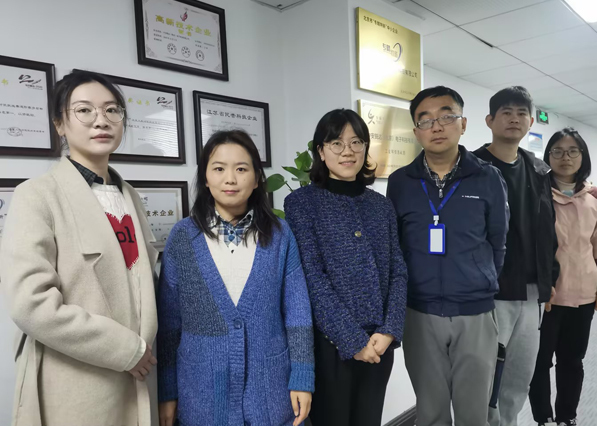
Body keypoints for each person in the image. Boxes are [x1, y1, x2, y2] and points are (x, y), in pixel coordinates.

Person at [0, 70, 159, 426]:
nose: (101, 120)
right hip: (76, 383)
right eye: (84, 110)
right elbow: (30, 303)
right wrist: (126, 349)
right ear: (59, 124)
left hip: (138, 378)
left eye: (112, 110)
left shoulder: (129, 195)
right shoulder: (37, 195)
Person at [157, 130, 314, 426]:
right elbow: (168, 324)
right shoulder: (182, 237)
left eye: (241, 169)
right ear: (205, 178)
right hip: (201, 395)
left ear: (256, 179)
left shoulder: (280, 235)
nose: (230, 179)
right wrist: (166, 391)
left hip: (269, 392)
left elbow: (298, 313)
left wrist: (302, 377)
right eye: (219, 169)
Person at [387, 86, 509, 426]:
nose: (436, 126)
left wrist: (478, 280)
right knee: (430, 412)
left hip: (475, 312)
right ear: (416, 132)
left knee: (474, 414)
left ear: (463, 124)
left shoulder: (488, 177)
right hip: (419, 312)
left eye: (446, 116)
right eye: (425, 120)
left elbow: (498, 242)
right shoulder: (400, 182)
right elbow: (396, 246)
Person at [284, 109, 407, 426]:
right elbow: (312, 278)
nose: (347, 151)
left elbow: (398, 270)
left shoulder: (381, 205)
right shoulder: (302, 204)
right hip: (330, 344)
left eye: (356, 142)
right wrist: (353, 340)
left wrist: (389, 329)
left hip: (379, 342)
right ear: (321, 151)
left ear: (365, 148)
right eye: (336, 143)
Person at [474, 86, 560, 426]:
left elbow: (548, 229)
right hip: (489, 291)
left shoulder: (538, 170)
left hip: (530, 293)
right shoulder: (471, 167)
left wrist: (549, 278)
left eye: (522, 113)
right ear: (489, 120)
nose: (515, 119)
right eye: (506, 112)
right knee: (483, 375)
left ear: (530, 122)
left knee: (519, 376)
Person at [529, 128, 597, 426]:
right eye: (558, 151)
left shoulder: (594, 195)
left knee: (572, 360)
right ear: (548, 155)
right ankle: (543, 418)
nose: (565, 157)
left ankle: (567, 417)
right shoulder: (536, 192)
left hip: (583, 293)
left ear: (582, 156)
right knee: (539, 362)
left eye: (573, 151)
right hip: (546, 296)